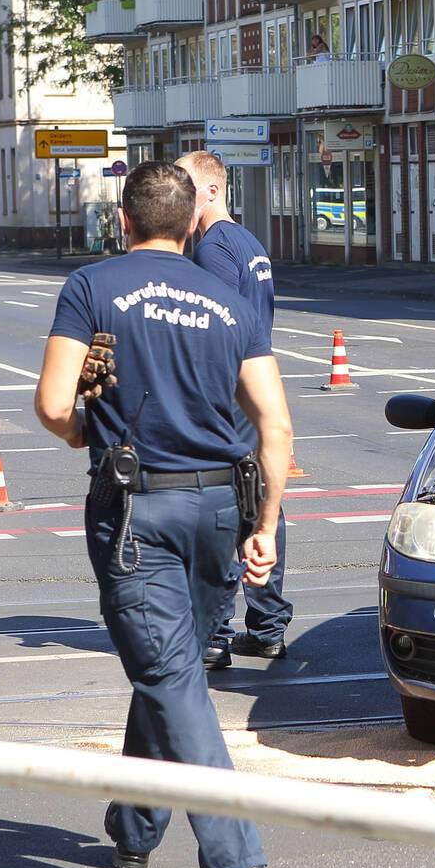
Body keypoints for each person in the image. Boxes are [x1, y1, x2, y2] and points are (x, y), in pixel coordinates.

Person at [34, 160, 293, 868]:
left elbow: (53, 406)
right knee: (169, 665)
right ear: (192, 225)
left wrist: (87, 423)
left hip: (137, 514)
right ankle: (135, 823)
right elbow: (275, 424)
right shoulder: (229, 298)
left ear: (123, 221)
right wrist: (268, 526)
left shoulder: (92, 287)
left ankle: (233, 861)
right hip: (222, 512)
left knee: (173, 675)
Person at [177, 150, 291, 664]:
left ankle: (216, 633)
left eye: (187, 185)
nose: (179, 195)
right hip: (255, 385)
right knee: (262, 503)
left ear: (213, 190)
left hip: (227, 393)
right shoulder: (248, 241)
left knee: (223, 508)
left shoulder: (213, 250)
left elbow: (212, 328)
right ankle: (267, 626)